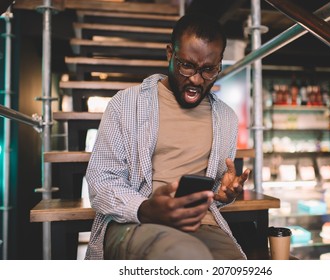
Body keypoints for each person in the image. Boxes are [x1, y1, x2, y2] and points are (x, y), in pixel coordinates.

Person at [85, 13, 251, 260]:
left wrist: (223, 194)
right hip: (135, 222)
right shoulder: (126, 104)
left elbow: (210, 190)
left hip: (202, 224)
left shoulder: (225, 118)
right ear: (169, 54)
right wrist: (145, 208)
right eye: (187, 65)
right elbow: (101, 181)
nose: (196, 79)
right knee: (185, 255)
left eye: (209, 70)